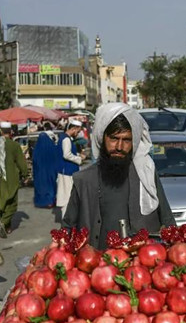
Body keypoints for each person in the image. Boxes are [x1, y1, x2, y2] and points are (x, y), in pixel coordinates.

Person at [63, 103, 175, 248]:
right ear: (102, 138)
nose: (119, 147)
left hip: (142, 265)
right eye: (114, 139)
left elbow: (167, 219)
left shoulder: (146, 174)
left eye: (126, 140)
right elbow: (67, 227)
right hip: (100, 265)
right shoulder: (83, 180)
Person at [0, 121, 28, 238]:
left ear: (1, 131)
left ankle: (7, 227)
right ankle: (4, 222)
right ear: (10, 132)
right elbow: (21, 162)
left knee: (1, 202)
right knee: (12, 203)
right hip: (11, 178)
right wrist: (25, 174)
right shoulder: (14, 145)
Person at [56, 119, 83, 217]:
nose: (78, 133)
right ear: (74, 129)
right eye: (78, 131)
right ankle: (66, 221)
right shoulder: (66, 139)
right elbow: (66, 155)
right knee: (67, 197)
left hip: (66, 171)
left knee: (67, 196)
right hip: (66, 172)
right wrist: (79, 159)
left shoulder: (65, 138)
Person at [32, 122, 59, 208]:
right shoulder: (52, 147)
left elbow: (34, 161)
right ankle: (50, 201)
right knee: (50, 185)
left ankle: (40, 202)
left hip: (40, 172)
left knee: (40, 186)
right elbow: (56, 158)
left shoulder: (37, 149)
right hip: (50, 171)